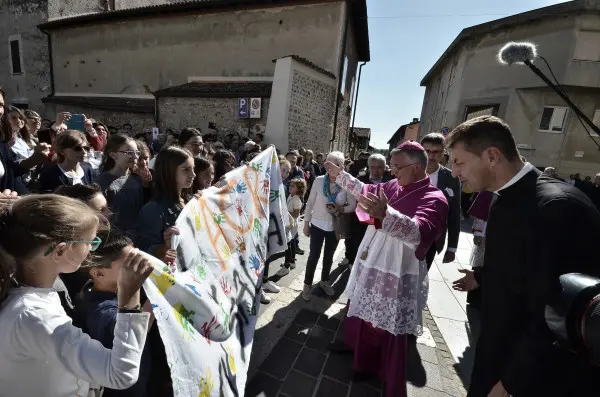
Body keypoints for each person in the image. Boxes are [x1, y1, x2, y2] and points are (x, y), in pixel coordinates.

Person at [448, 116, 600, 397]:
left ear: (492, 156)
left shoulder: (555, 207)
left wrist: (510, 383)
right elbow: (522, 267)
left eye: (458, 161)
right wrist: (482, 277)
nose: (454, 171)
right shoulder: (506, 197)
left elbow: (554, 312)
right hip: (497, 355)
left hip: (531, 377)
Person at [324, 141, 448, 397]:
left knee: (388, 324)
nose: (392, 172)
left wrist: (387, 216)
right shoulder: (394, 185)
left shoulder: (435, 198)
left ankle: (386, 376)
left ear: (415, 167)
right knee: (366, 317)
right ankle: (363, 363)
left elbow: (420, 231)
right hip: (372, 260)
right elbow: (367, 190)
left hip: (398, 270)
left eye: (397, 167)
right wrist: (341, 176)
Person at [0, 194, 152, 397]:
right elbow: (121, 374)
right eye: (90, 242)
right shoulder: (34, 316)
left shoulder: (35, 296)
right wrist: (130, 296)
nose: (92, 249)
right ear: (60, 251)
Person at [75, 230, 156, 397]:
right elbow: (131, 331)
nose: (143, 265)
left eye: (138, 257)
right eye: (130, 264)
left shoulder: (90, 289)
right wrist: (158, 297)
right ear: (98, 273)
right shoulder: (100, 311)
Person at [302, 152, 353, 301]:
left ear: (341, 166)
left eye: (336, 164)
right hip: (317, 224)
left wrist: (340, 209)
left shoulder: (345, 184)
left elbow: (353, 205)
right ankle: (307, 284)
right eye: (328, 163)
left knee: (329, 256)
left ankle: (324, 281)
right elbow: (310, 202)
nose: (330, 167)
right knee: (313, 256)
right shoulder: (319, 180)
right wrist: (306, 223)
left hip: (334, 226)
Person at [136, 146, 195, 266]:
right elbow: (146, 252)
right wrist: (165, 248)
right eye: (186, 169)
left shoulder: (190, 202)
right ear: (169, 171)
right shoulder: (153, 210)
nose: (193, 174)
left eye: (193, 169)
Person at [340, 153, 392, 267]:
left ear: (384, 168)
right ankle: (350, 259)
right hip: (359, 219)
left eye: (379, 167)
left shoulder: (390, 183)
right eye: (373, 167)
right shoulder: (361, 180)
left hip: (379, 220)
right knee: (354, 240)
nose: (376, 170)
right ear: (368, 167)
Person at [420, 133, 461, 269]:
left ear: (443, 153)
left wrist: (452, 247)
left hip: (431, 240)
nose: (431, 156)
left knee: (421, 280)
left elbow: (454, 214)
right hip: (404, 236)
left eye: (436, 152)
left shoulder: (451, 178)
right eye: (427, 151)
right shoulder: (408, 171)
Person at [96, 134, 147, 237]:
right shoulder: (102, 181)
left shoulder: (137, 179)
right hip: (113, 237)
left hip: (137, 236)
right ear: (113, 155)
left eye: (137, 152)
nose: (135, 157)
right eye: (129, 152)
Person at [283, 177, 307, 270]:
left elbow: (297, 214)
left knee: (289, 244)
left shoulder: (296, 199)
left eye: (292, 186)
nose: (290, 187)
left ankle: (287, 264)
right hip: (290, 222)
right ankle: (292, 261)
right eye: (290, 185)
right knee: (292, 242)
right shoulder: (291, 195)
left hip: (292, 224)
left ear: (298, 189)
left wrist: (285, 213)